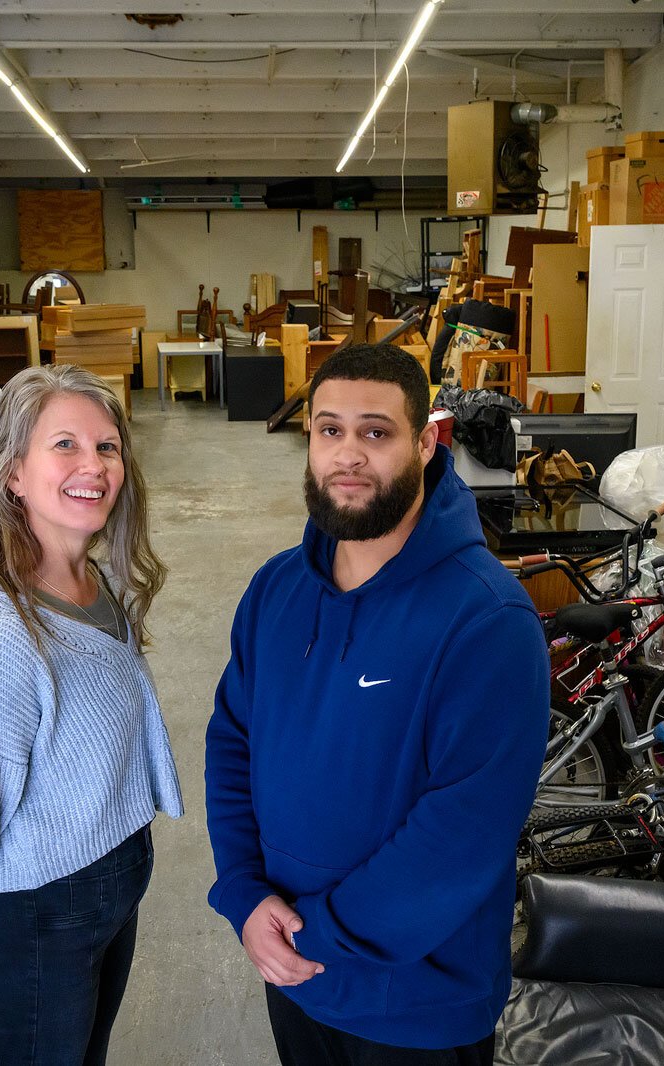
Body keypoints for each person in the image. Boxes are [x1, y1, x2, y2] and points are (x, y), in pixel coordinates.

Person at [205, 344, 549, 1065]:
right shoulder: (275, 591)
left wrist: (315, 935)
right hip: (295, 978)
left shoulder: (486, 620)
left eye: (376, 432)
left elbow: (463, 833)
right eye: (330, 430)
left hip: (416, 1008)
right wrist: (244, 893)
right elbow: (232, 740)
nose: (348, 455)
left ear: (426, 442)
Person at [0, 364, 183, 1066]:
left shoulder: (93, 579)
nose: (94, 465)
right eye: (65, 445)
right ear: (13, 474)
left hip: (105, 884)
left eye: (107, 447)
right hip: (35, 913)